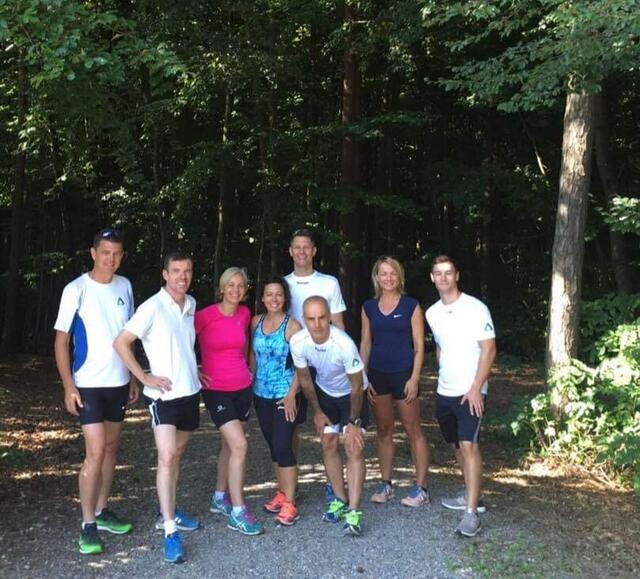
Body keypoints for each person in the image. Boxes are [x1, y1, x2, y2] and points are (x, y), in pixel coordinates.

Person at [114, 252, 202, 564]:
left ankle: (170, 509)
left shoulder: (191, 304)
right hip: (162, 397)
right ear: (165, 274)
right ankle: (169, 530)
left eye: (187, 271)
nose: (182, 276)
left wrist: (193, 368)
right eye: (176, 271)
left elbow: (182, 346)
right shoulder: (151, 306)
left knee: (176, 455)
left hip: (190, 392)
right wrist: (144, 377)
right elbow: (121, 343)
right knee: (166, 456)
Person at [54, 228, 138, 555]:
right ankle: (87, 524)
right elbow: (61, 342)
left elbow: (128, 336)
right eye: (105, 252)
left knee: (112, 448)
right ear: (93, 253)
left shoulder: (125, 286)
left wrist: (133, 377)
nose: (110, 259)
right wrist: (68, 386)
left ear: (122, 256)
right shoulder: (75, 289)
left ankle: (102, 511)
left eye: (116, 253)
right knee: (96, 450)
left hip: (119, 383)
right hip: (88, 383)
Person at [425, 255, 496, 538]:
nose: (443, 278)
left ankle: (471, 514)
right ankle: (471, 495)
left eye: (448, 272)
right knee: (456, 445)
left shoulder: (476, 308)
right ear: (432, 278)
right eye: (438, 273)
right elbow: (440, 347)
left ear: (457, 276)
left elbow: (489, 349)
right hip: (446, 390)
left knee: (469, 445)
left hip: (471, 391)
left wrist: (477, 387)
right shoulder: (432, 313)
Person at [290, 296, 368, 536]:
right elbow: (305, 379)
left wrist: (353, 423)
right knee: (328, 442)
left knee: (353, 447)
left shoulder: (344, 344)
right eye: (311, 319)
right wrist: (317, 411)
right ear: (304, 319)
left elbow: (356, 387)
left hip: (352, 394)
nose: (317, 324)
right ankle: (340, 500)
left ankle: (354, 512)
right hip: (325, 393)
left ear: (329, 317)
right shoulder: (298, 341)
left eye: (322, 318)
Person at [196, 267, 264, 536]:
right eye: (231, 285)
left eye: (241, 286)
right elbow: (180, 339)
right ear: (222, 288)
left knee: (228, 445)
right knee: (240, 445)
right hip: (216, 389)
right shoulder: (204, 315)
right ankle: (238, 511)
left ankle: (219, 497)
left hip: (242, 388)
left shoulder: (245, 314)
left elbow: (244, 344)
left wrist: (249, 369)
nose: (236, 290)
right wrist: (194, 369)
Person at [360, 256, 431, 507]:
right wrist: (363, 377)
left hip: (404, 375)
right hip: (378, 375)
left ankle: (422, 488)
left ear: (399, 276)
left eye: (393, 273)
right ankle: (386, 484)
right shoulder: (368, 307)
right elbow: (366, 343)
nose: (388, 278)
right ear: (377, 277)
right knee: (383, 430)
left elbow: (419, 347)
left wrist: (415, 378)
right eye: (383, 274)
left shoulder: (411, 305)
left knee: (413, 431)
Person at [285, 227, 347, 502]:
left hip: (326, 361)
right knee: (291, 426)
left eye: (306, 247)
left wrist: (342, 361)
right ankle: (290, 484)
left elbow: (339, 324)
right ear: (290, 251)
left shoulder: (329, 283)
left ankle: (333, 485)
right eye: (297, 247)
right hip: (294, 361)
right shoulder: (283, 285)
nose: (302, 252)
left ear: (314, 251)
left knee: (329, 429)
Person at [250, 276, 303, 526]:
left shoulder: (292, 326)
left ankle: (291, 503)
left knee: (283, 446)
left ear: (285, 298)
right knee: (273, 446)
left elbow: (302, 364)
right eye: (269, 294)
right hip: (260, 393)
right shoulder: (256, 322)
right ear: (262, 298)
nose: (274, 299)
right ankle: (281, 493)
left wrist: (292, 394)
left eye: (279, 294)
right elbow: (253, 355)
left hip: (285, 395)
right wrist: (249, 381)